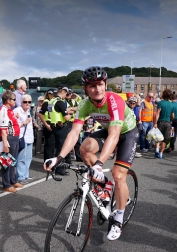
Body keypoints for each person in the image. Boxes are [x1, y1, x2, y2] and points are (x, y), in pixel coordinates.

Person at [44, 66, 139, 241]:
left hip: (127, 133)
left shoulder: (114, 100)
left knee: (119, 175)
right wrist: (59, 157)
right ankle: (103, 183)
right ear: (86, 89)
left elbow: (115, 135)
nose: (97, 89)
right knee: (84, 148)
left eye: (101, 84)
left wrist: (99, 163)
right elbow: (74, 133)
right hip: (107, 130)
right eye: (93, 86)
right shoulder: (84, 104)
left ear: (105, 84)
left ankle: (118, 219)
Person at [0, 91, 23, 192]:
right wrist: (5, 144)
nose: (15, 101)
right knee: (7, 162)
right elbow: (3, 130)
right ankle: (6, 185)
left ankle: (12, 180)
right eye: (14, 99)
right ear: (8, 100)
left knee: (13, 161)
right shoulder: (3, 110)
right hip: (9, 138)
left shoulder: (9, 110)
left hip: (14, 137)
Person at [47, 86, 73, 175]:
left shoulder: (51, 101)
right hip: (60, 127)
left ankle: (55, 166)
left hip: (53, 126)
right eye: (66, 93)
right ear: (64, 91)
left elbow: (50, 116)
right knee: (62, 149)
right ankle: (60, 169)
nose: (67, 95)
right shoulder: (60, 102)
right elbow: (67, 118)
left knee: (57, 148)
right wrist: (72, 115)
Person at [14, 94, 34, 184]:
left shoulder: (29, 110)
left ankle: (25, 174)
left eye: (29, 102)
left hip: (30, 136)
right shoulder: (17, 111)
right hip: (21, 137)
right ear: (21, 102)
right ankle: (20, 176)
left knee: (28, 157)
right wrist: (24, 123)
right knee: (21, 158)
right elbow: (13, 126)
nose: (27, 104)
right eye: (25, 102)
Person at [154, 89, 174, 159]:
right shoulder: (171, 104)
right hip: (168, 123)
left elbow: (157, 113)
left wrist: (155, 123)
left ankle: (156, 149)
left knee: (158, 137)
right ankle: (161, 153)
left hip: (160, 122)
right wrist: (171, 120)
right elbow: (172, 116)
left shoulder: (160, 103)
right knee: (165, 139)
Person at [39, 89, 56, 161]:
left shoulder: (53, 102)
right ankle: (47, 161)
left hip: (53, 123)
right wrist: (46, 124)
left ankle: (50, 160)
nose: (54, 96)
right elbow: (40, 114)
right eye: (53, 94)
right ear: (49, 94)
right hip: (48, 124)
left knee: (52, 145)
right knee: (49, 144)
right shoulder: (46, 102)